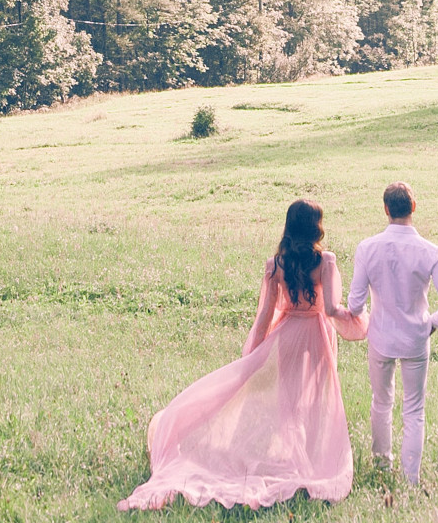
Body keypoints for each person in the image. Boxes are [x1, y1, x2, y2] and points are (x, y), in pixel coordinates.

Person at [117, 199, 368, 511]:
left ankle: (291, 457)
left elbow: (265, 315)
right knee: (315, 400)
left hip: (286, 335)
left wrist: (252, 354)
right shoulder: (325, 261)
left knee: (286, 400)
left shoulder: (277, 264)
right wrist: (360, 319)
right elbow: (330, 309)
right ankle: (309, 461)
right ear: (316, 227)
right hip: (316, 337)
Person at [347, 182, 438, 485]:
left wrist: (369, 315)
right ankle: (411, 478)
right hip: (416, 338)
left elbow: (355, 304)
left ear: (385, 209)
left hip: (381, 336)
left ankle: (382, 465)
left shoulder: (367, 248)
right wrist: (432, 323)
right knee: (414, 409)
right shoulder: (431, 252)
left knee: (381, 402)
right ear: (414, 207)